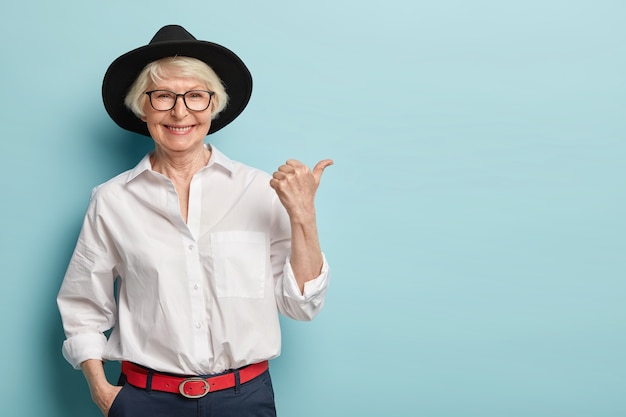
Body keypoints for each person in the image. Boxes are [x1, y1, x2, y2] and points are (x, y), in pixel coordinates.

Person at [57, 24, 332, 417]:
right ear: (142, 107)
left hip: (244, 400)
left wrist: (303, 215)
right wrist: (102, 391)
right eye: (163, 96)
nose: (180, 111)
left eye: (195, 96)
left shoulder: (259, 189)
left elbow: (301, 306)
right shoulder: (111, 200)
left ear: (214, 105)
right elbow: (82, 305)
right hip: (143, 401)